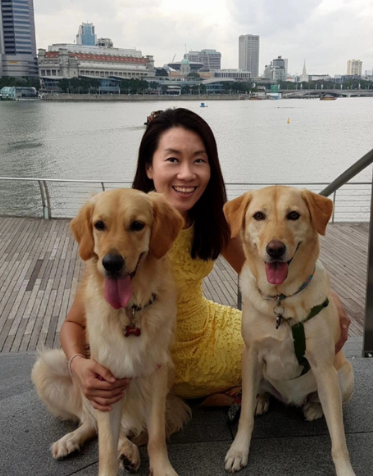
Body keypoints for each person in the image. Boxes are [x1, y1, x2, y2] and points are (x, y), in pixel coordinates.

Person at [60, 108, 351, 412]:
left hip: (208, 339)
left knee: (277, 347)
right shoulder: (124, 229)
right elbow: (73, 322)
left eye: (199, 160)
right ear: (148, 167)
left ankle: (230, 392)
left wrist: (326, 297)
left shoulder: (212, 222)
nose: (187, 174)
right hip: (151, 349)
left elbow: (263, 272)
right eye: (173, 159)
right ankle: (224, 393)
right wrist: (77, 365)